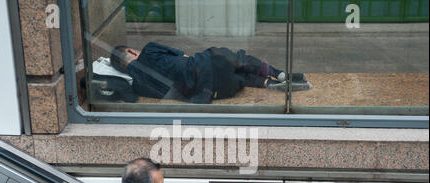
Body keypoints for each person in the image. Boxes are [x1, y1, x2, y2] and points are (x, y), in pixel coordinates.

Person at [109, 42, 309, 104]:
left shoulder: (138, 83)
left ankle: (268, 84)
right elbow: (184, 56)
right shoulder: (150, 49)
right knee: (239, 60)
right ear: (130, 51)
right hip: (210, 66)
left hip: (212, 92)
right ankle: (279, 74)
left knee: (236, 77)